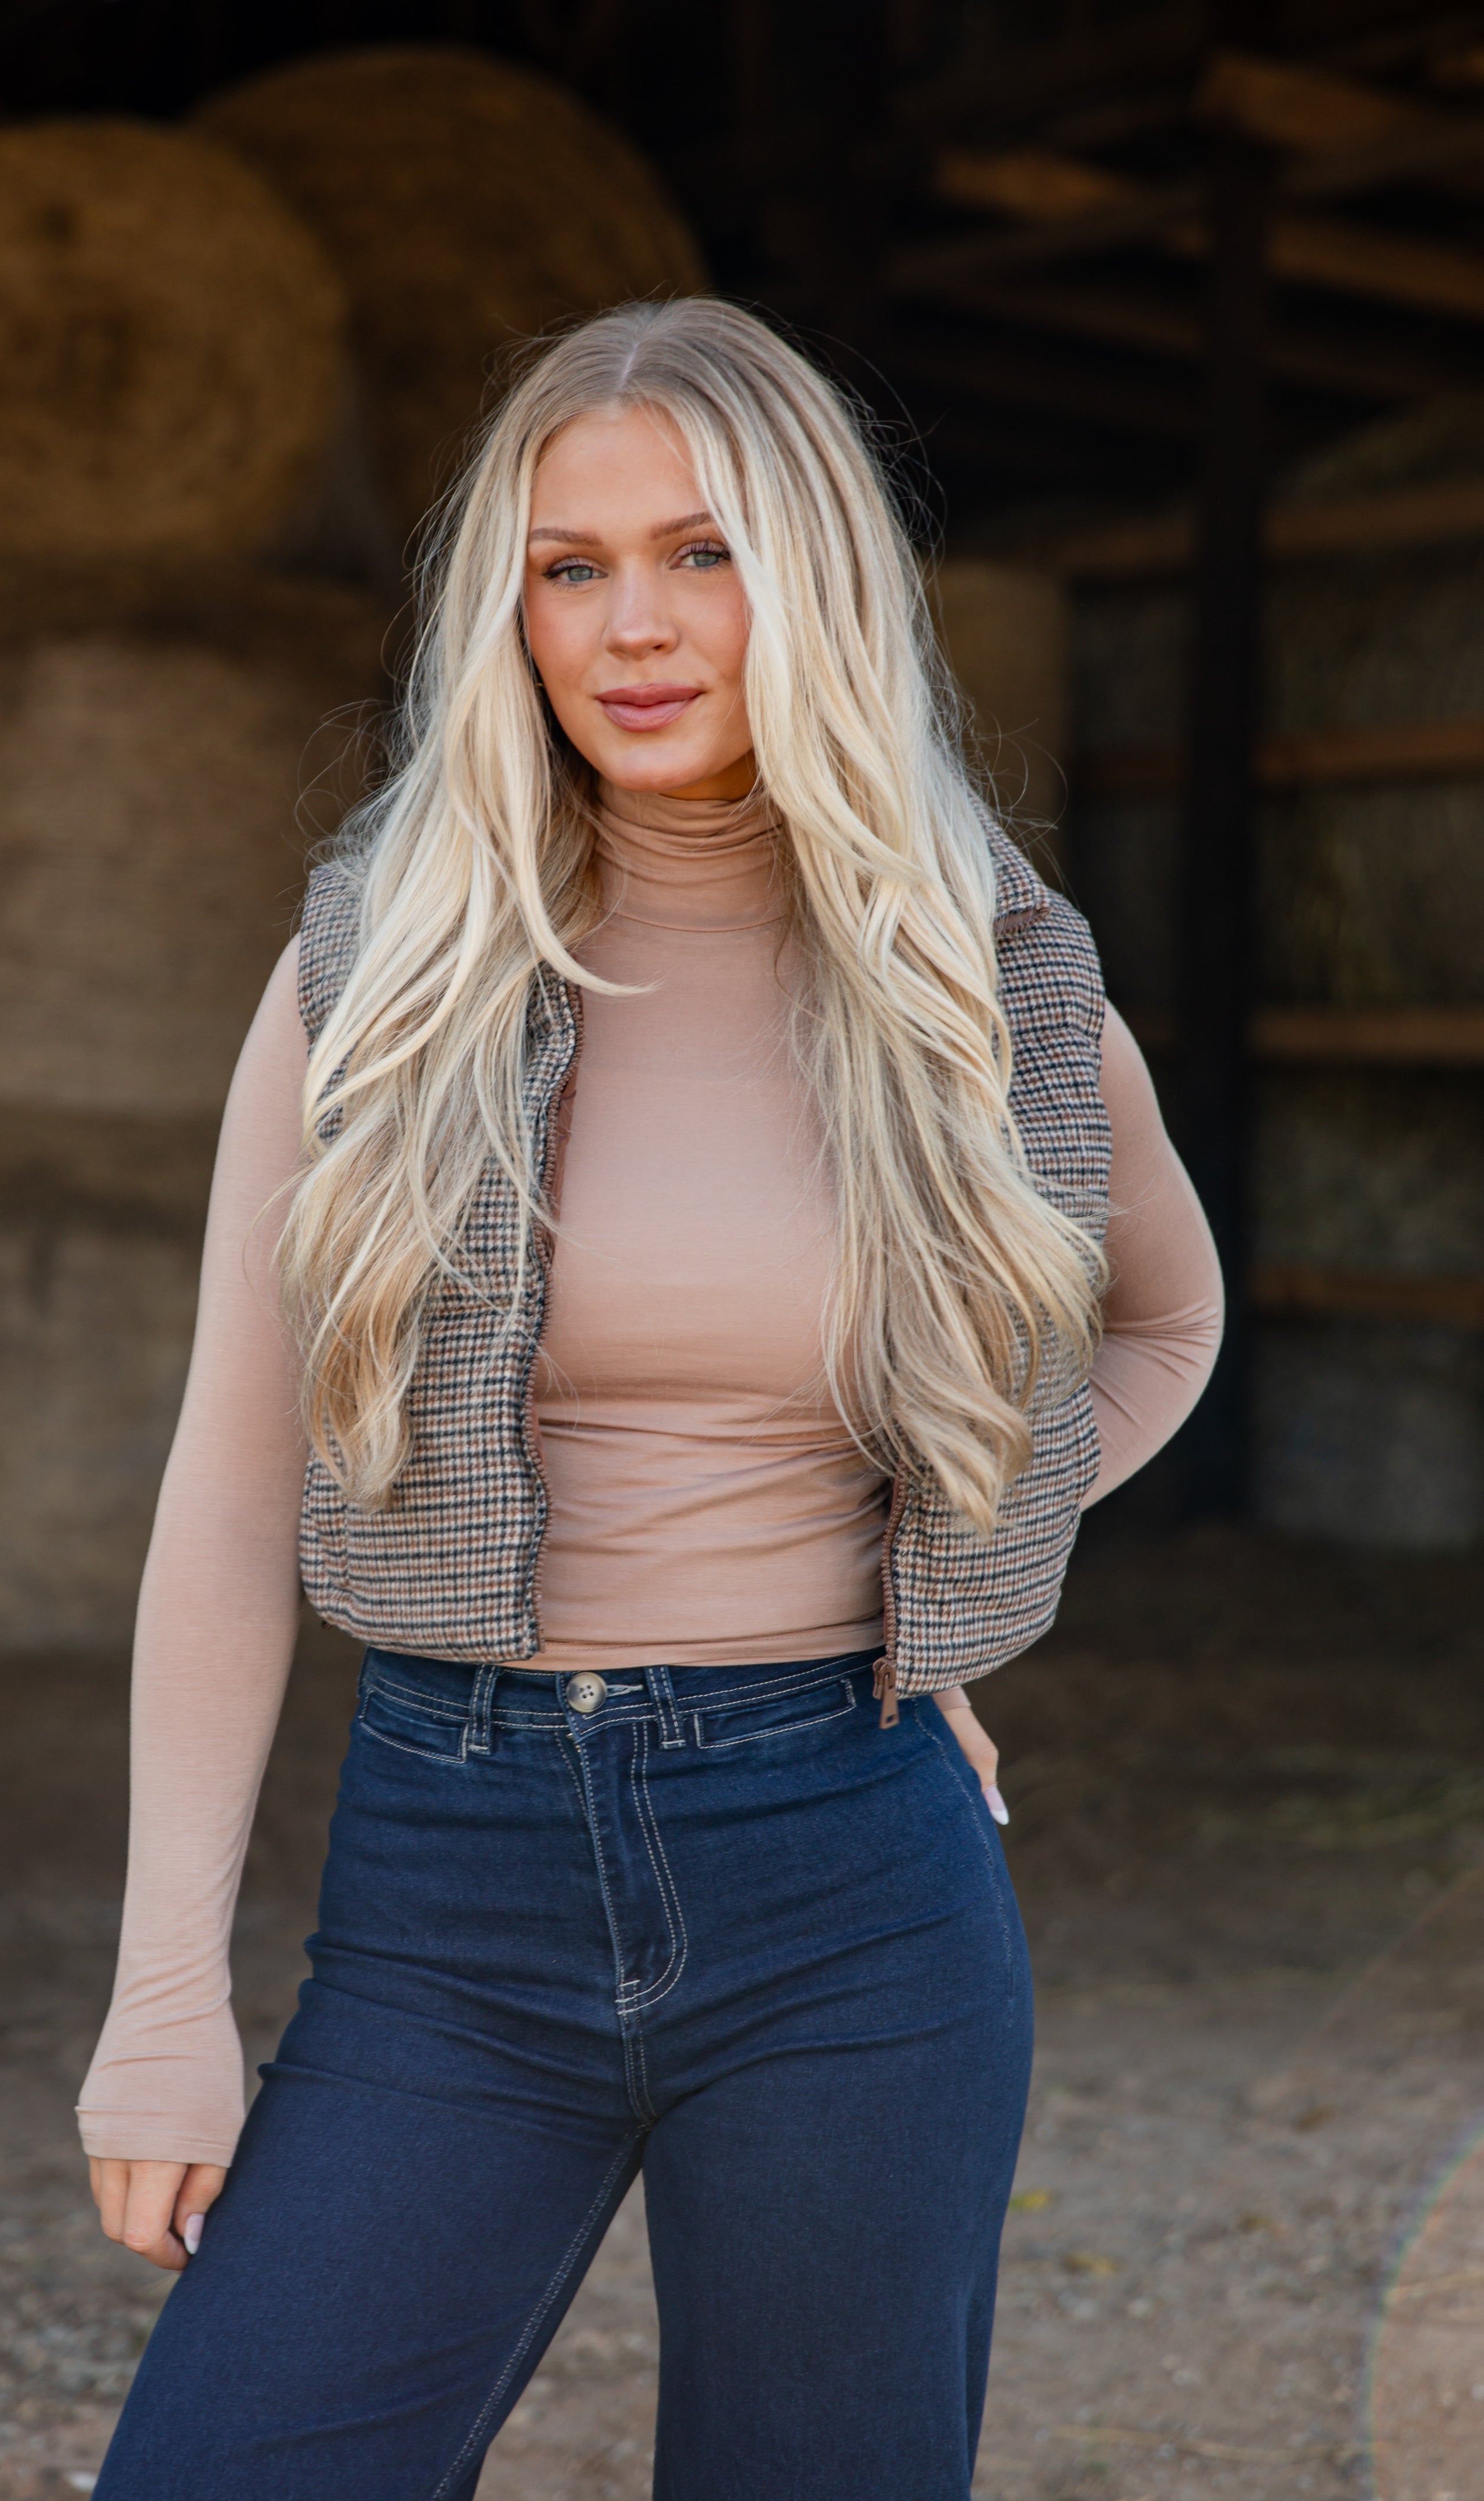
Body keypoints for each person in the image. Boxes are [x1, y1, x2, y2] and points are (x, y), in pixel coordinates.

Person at [79, 298, 1221, 2499]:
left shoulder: (983, 969)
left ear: (816, 576)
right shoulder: (376, 959)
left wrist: (945, 1567)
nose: (633, 625)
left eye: (700, 553)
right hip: (446, 1875)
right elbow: (232, 1491)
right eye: (566, 564)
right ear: (501, 607)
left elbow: (1157, 1322)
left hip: (849, 1878)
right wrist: (160, 2005)